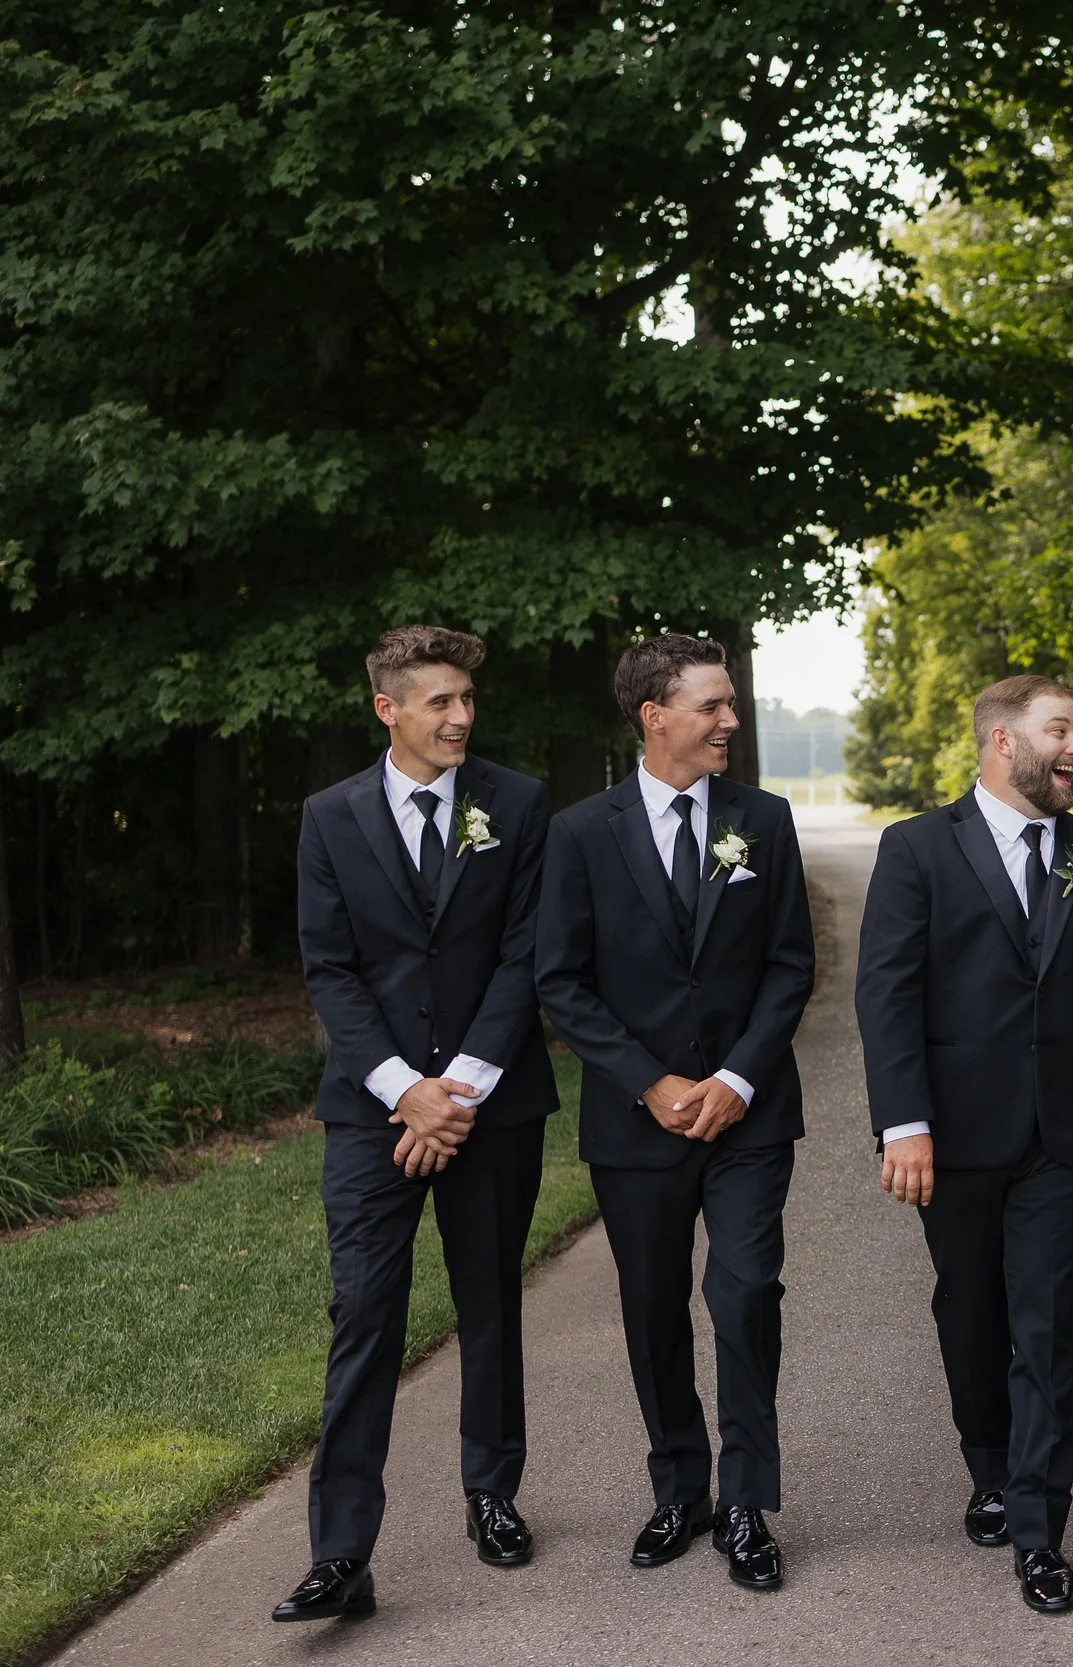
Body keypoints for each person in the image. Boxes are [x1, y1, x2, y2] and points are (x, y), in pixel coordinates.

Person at [853, 675, 1073, 1615]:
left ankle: (1039, 1527)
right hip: (952, 1135)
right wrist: (903, 1122)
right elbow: (887, 994)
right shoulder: (915, 849)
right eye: (1059, 731)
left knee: (1045, 1323)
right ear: (999, 743)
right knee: (968, 1308)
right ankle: (987, 1464)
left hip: (1066, 1136)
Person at [279, 625, 557, 1623]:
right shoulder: (330, 816)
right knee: (363, 1314)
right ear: (387, 708)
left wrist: (461, 1089)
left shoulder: (518, 803)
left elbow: (528, 952)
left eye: (467, 699)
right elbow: (330, 967)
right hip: (373, 1111)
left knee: (490, 1303)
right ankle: (341, 1551)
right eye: (438, 700)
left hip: (493, 1100)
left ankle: (493, 1494)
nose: (461, 716)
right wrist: (405, 1089)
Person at [536, 633, 815, 1591]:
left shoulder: (764, 822)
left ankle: (745, 1503)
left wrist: (736, 1077)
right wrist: (649, 1081)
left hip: (750, 1115)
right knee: (651, 1308)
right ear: (654, 717)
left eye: (731, 704)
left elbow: (790, 966)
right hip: (635, 1123)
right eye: (712, 706)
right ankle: (677, 1487)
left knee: (744, 1295)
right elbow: (562, 981)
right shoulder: (579, 834)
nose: (730, 720)